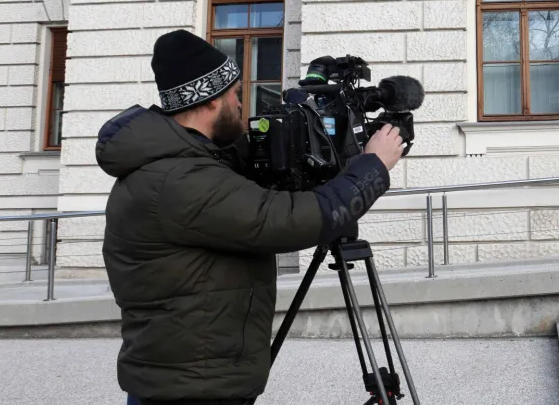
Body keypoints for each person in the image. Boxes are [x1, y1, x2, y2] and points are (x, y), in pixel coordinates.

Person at [97, 29, 406, 405]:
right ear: (211, 102)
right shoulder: (178, 180)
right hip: (191, 389)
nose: (242, 106)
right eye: (235, 95)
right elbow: (291, 221)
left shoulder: (186, 163)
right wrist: (374, 165)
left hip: (191, 377)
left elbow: (248, 188)